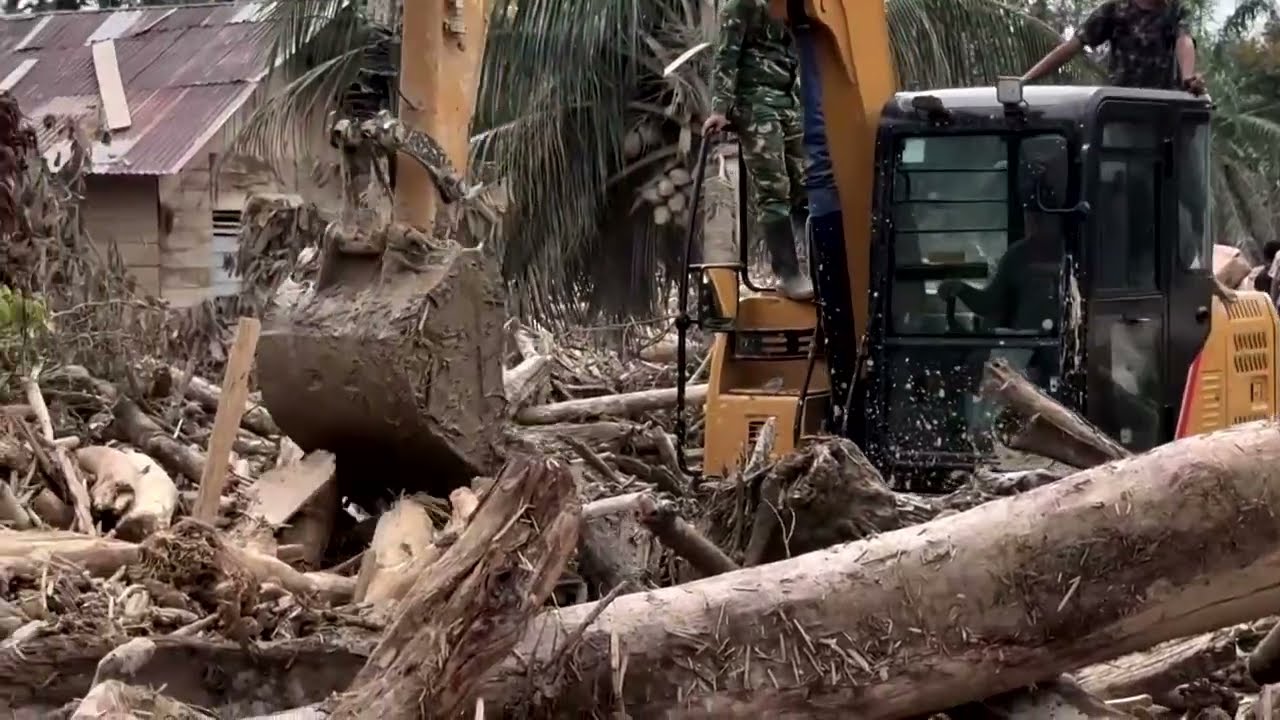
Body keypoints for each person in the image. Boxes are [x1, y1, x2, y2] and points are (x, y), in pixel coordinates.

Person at [703, 0, 814, 301]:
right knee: (774, 188)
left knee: (808, 184)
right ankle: (788, 274)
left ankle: (816, 264)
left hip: (787, 101)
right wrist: (720, 109)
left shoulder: (792, 7)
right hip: (755, 104)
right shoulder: (741, 7)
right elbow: (726, 57)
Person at [1021, 0, 1205, 94]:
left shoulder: (1175, 10)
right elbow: (1071, 47)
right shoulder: (1116, 9)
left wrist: (1188, 77)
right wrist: (1025, 79)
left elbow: (1184, 40)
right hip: (1120, 107)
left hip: (1162, 109)